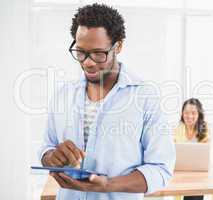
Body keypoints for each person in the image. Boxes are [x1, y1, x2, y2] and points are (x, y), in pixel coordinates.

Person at [38, 3, 175, 200]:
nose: (88, 62)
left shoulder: (145, 98)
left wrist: (107, 185)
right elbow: (46, 147)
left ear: (118, 46)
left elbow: (160, 170)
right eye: (80, 52)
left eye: (98, 53)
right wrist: (51, 157)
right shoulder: (63, 94)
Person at [174, 98, 209, 200]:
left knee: (195, 191)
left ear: (199, 114)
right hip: (181, 173)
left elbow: (205, 155)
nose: (189, 116)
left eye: (193, 113)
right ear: (182, 114)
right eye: (186, 113)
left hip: (199, 174)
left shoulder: (204, 129)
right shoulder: (178, 129)